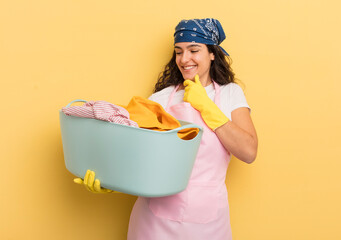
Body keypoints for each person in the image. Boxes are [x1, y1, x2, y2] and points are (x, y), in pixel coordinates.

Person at [75, 18, 258, 240]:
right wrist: (110, 179)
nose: (184, 59)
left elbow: (248, 152)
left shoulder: (231, 93)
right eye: (178, 51)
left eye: (194, 50)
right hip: (154, 222)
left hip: (208, 220)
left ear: (212, 53)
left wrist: (206, 107)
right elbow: (136, 155)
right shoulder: (160, 99)